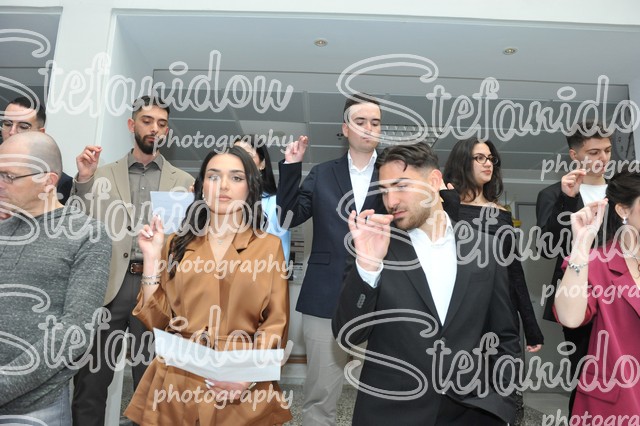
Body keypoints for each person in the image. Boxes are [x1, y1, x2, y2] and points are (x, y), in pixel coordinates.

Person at [333, 142, 521, 425]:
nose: (391, 201)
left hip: (470, 412)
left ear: (433, 181)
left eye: (401, 186)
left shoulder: (485, 248)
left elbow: (505, 336)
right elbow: (349, 334)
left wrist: (503, 405)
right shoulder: (375, 246)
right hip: (390, 413)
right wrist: (368, 267)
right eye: (384, 191)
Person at [124, 146, 292, 425]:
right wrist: (152, 259)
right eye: (214, 176)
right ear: (202, 187)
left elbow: (276, 323)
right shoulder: (175, 243)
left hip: (239, 379)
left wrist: (246, 375)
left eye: (236, 178)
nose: (223, 185)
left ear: (250, 188)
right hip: (179, 375)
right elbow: (158, 320)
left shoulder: (268, 247)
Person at [71, 95, 194, 425]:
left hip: (156, 290)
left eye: (162, 123)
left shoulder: (184, 182)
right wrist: (83, 181)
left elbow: (185, 243)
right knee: (90, 384)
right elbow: (75, 222)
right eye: (147, 121)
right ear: (132, 125)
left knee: (152, 386)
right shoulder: (100, 174)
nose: (155, 128)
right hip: (108, 288)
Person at [277, 93, 386, 424]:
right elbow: (287, 218)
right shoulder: (323, 173)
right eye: (360, 121)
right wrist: (291, 169)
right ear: (345, 128)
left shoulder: (394, 174)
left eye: (375, 123)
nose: (368, 128)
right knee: (320, 395)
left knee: (383, 396)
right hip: (324, 297)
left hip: (383, 298)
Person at [0, 132, 111, 423]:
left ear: (48, 180)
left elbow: (74, 331)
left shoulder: (87, 234)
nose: (0, 183)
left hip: (36, 409)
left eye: (9, 176)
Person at [536, 120, 611, 411]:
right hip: (579, 295)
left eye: (607, 150)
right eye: (593, 152)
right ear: (574, 155)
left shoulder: (623, 192)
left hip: (623, 292)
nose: (602, 158)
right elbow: (547, 248)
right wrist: (567, 202)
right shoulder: (553, 195)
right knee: (585, 374)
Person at [554, 166, 640, 421]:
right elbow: (570, 318)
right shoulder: (596, 262)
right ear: (623, 210)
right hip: (615, 404)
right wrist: (582, 243)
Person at [1, 96, 72, 203]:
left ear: (40, 133)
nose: (12, 131)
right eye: (7, 124)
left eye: (23, 126)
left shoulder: (58, 183)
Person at [233, 134, 291, 263]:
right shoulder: (219, 200)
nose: (240, 161)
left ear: (262, 164)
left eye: (247, 155)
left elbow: (278, 253)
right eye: (234, 155)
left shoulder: (277, 203)